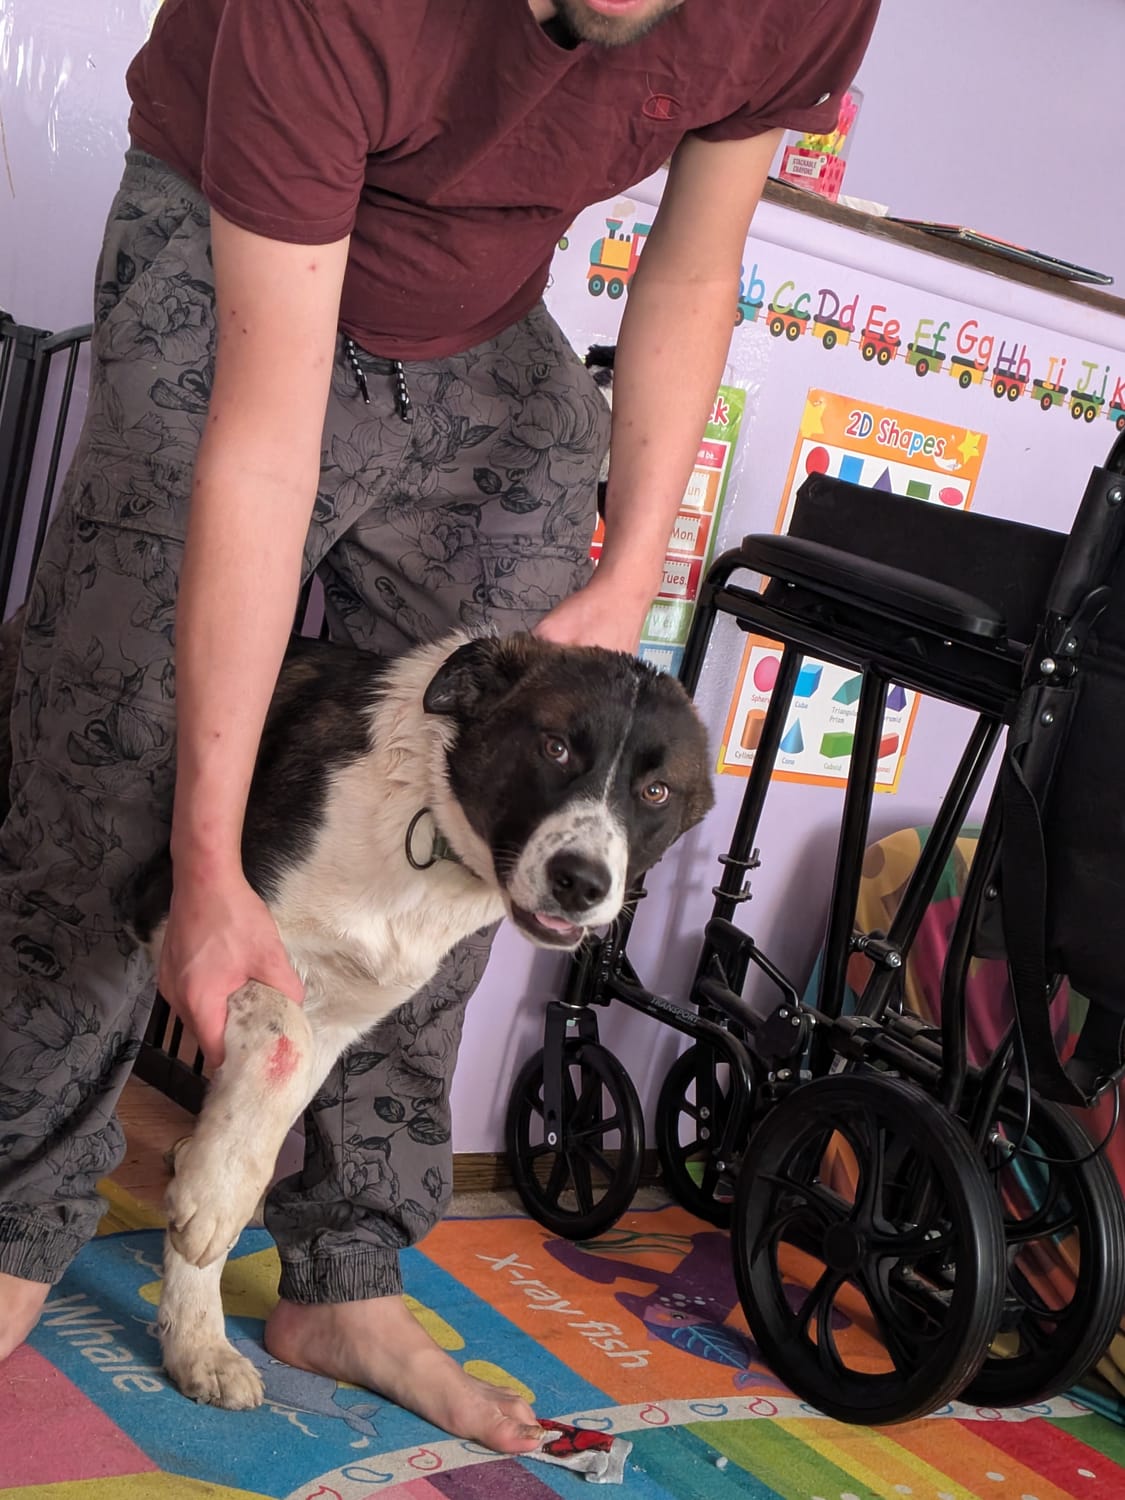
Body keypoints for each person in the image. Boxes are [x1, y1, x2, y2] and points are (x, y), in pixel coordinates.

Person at [0, 0, 880, 1451]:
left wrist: (628, 571)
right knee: (110, 751)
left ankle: (343, 1276)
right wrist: (209, 868)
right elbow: (262, 448)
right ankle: (14, 1222)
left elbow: (693, 263)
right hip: (229, 236)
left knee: (485, 826)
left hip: (480, 319)